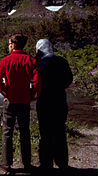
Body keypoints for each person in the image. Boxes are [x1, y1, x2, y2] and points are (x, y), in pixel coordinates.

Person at [0, 34, 42, 173]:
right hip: (24, 102)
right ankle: (27, 164)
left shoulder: (6, 61)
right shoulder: (31, 60)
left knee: (7, 132)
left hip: (10, 102)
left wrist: (5, 93)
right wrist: (33, 96)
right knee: (24, 132)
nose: (8, 46)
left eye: (9, 44)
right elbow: (37, 82)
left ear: (14, 45)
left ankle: (6, 164)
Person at [35, 39, 73, 173]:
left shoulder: (39, 65)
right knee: (60, 132)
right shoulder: (62, 61)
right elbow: (69, 79)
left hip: (44, 102)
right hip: (60, 101)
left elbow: (34, 84)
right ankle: (62, 163)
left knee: (45, 133)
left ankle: (46, 163)